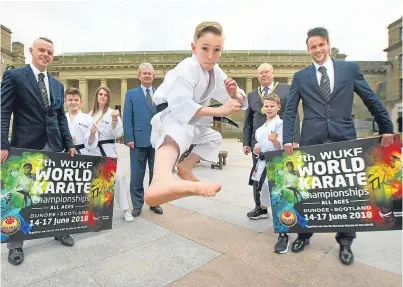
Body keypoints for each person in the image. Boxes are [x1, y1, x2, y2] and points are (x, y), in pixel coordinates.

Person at [282, 27, 395, 265]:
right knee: (307, 190)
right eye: (313, 47)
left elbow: (370, 98)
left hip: (343, 137)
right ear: (308, 49)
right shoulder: (301, 76)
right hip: (311, 139)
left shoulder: (349, 69)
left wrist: (386, 126)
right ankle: (304, 234)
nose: (317, 50)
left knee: (345, 193)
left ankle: (345, 241)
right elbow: (291, 109)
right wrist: (288, 138)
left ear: (328, 44)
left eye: (321, 45)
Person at [144, 21, 247, 206]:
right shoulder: (187, 68)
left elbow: (237, 97)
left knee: (213, 138)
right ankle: (160, 180)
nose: (211, 56)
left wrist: (234, 95)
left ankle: (185, 167)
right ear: (194, 47)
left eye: (217, 50)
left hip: (192, 121)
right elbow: (180, 106)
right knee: (177, 132)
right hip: (169, 114)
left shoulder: (215, 72)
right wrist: (220, 110)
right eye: (205, 48)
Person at [0, 37, 77, 265]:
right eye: (42, 50)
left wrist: (69, 144)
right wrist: (2, 144)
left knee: (54, 194)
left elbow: (60, 117)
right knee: (21, 196)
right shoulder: (15, 76)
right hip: (25, 145)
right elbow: (3, 111)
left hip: (53, 144)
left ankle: (58, 230)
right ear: (31, 51)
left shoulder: (57, 85)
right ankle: (15, 244)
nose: (46, 54)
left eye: (50, 52)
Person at [243, 63, 300, 220]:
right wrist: (246, 142)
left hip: (280, 140)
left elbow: (293, 115)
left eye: (267, 72)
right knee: (258, 174)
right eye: (261, 73)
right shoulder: (252, 95)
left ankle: (283, 210)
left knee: (280, 176)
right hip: (258, 143)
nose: (264, 75)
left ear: (273, 73)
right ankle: (259, 208)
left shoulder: (285, 89)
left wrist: (294, 139)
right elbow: (248, 121)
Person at [249, 93, 291, 254]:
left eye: (272, 106)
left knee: (279, 199)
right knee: (265, 195)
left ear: (278, 107)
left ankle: (283, 234)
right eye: (266, 106)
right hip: (262, 164)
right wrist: (256, 149)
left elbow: (284, 146)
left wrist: (275, 141)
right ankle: (264, 211)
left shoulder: (282, 124)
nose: (269, 108)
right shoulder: (260, 129)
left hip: (278, 164)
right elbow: (258, 145)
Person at [88, 86, 134, 223]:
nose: (102, 96)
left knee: (119, 178)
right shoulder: (90, 115)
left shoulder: (113, 113)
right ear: (96, 96)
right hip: (93, 151)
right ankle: (96, 212)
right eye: (100, 94)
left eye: (105, 95)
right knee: (97, 183)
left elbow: (118, 134)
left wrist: (114, 122)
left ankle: (125, 209)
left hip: (108, 149)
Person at [123, 63, 163, 217]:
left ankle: (154, 202)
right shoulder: (131, 94)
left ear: (153, 76)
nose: (147, 76)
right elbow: (127, 117)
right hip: (137, 141)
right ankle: (137, 204)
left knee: (156, 174)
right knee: (137, 174)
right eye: (144, 73)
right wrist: (129, 138)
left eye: (150, 73)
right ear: (138, 75)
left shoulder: (160, 94)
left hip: (157, 141)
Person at [65, 87, 98, 155]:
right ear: (65, 101)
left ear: (81, 102)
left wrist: (92, 135)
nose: (73, 102)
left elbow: (91, 144)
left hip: (82, 155)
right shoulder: (61, 119)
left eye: (76, 100)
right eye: (70, 100)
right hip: (65, 154)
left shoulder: (89, 119)